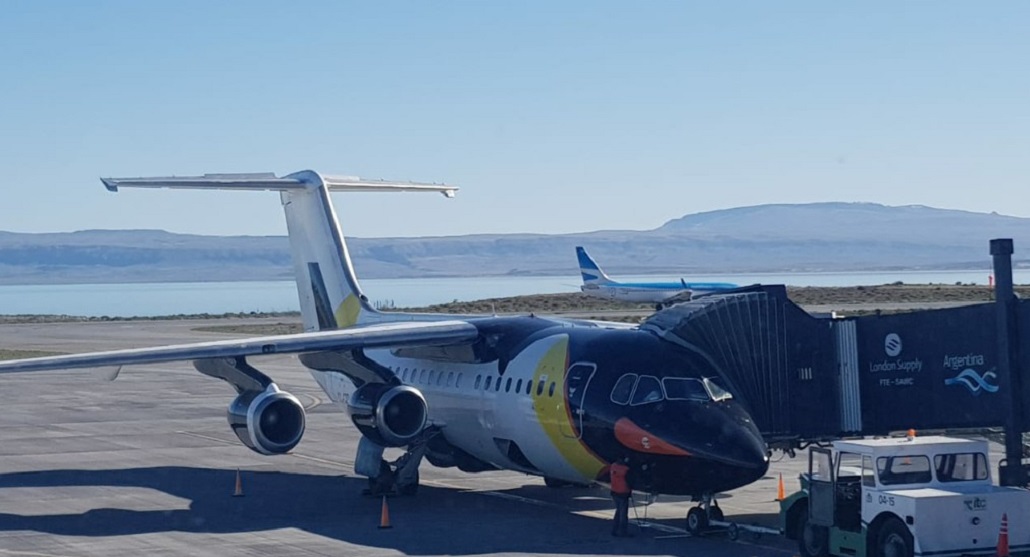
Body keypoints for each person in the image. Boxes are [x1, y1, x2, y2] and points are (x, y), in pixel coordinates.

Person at [609, 456, 632, 537]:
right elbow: (630, 480)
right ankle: (623, 532)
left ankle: (614, 530)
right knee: (623, 514)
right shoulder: (625, 469)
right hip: (623, 493)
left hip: (614, 491)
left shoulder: (613, 466)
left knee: (618, 511)